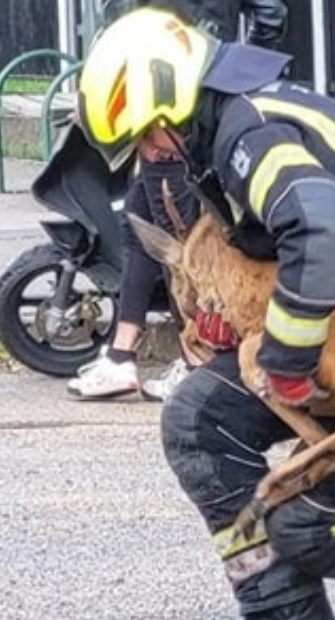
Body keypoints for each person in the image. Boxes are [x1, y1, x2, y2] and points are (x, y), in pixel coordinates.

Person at [73, 7, 335, 620]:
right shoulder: (235, 116)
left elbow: (318, 227)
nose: (150, 153)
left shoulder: (252, 129)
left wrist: (286, 359)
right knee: (197, 421)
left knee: (313, 522)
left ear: (173, 100)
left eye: (147, 135)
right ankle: (282, 618)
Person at [66, 0, 289, 402]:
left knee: (183, 247)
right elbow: (270, 12)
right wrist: (242, 70)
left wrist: (104, 91)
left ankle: (196, 364)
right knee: (140, 220)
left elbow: (119, 19)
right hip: (199, 83)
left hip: (159, 99)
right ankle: (122, 354)